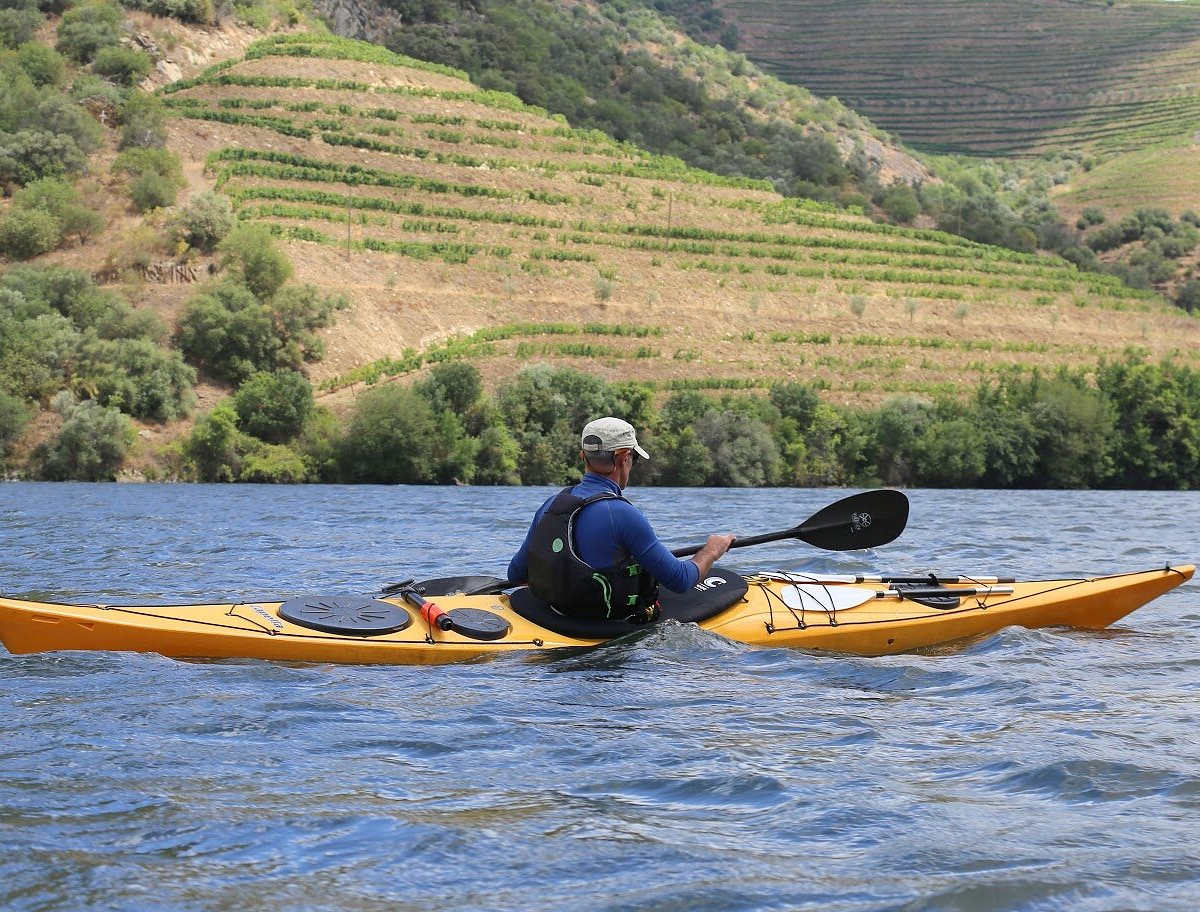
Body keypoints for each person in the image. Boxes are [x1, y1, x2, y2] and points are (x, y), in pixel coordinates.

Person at [507, 416, 735, 622]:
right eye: (634, 459)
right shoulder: (623, 514)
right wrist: (712, 550)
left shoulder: (552, 504)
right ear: (624, 458)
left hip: (557, 614)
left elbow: (515, 574)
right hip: (602, 629)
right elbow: (680, 580)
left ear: (583, 457)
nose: (632, 466)